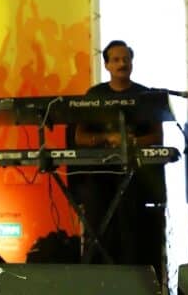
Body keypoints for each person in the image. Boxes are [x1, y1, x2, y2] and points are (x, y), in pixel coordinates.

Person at [68, 40, 166, 287]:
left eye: (126, 59)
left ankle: (135, 285)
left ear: (132, 62)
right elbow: (79, 137)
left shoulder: (146, 95)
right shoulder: (95, 95)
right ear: (107, 65)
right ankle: (97, 285)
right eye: (116, 60)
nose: (122, 64)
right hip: (100, 176)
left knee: (132, 232)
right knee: (99, 230)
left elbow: (156, 137)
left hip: (136, 177)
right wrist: (106, 138)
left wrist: (131, 142)